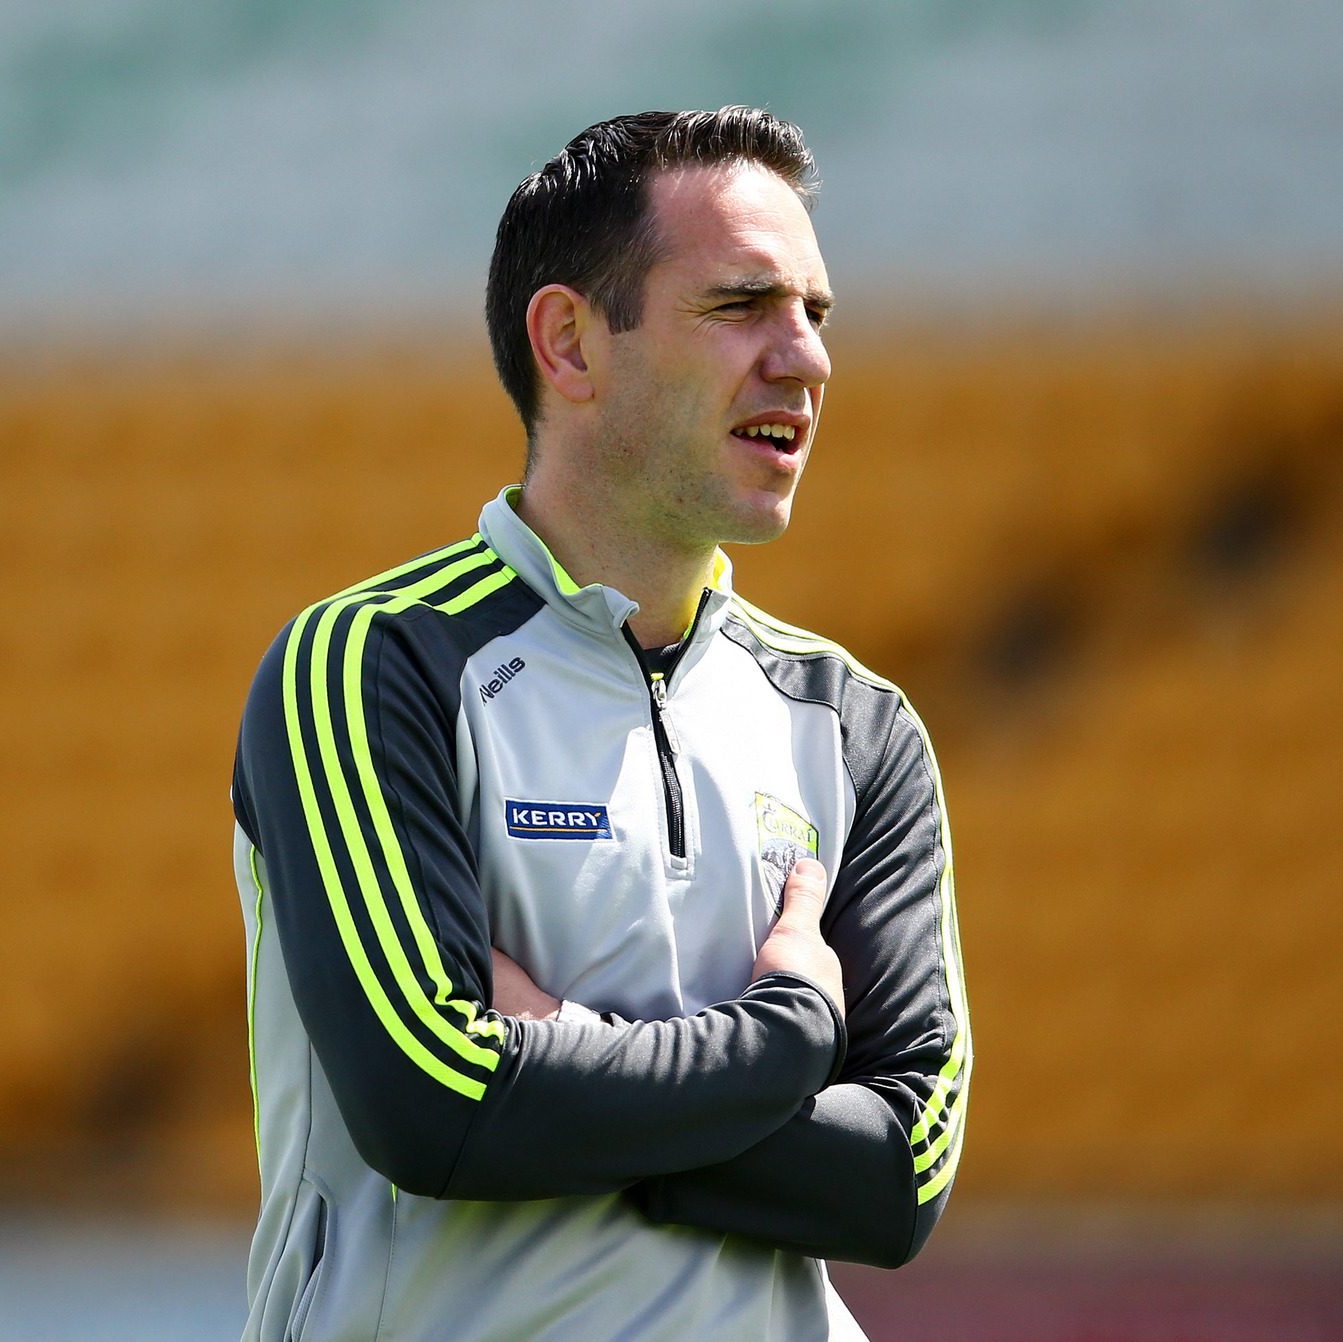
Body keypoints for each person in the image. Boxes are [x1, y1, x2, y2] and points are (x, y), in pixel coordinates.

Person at [229, 106, 969, 1342]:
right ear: (568, 343)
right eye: (740, 305)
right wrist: (785, 1037)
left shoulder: (854, 726)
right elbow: (435, 1108)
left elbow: (894, 1178)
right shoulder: (370, 663)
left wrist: (561, 1058)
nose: (805, 358)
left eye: (815, 313)